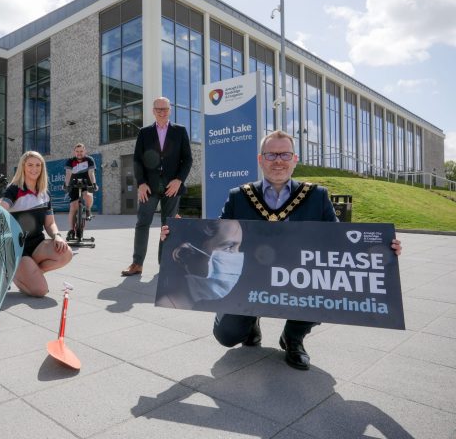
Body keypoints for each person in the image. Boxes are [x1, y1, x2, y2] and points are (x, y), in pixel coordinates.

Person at [161, 130, 402, 370]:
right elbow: (219, 232)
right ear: (260, 160)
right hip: (248, 282)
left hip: (298, 280)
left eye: (285, 154)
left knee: (325, 288)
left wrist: (380, 249)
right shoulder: (240, 196)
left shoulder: (316, 196)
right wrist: (177, 234)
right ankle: (250, 321)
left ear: (295, 159)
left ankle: (293, 337)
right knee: (227, 335)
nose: (278, 161)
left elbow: (338, 242)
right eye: (271, 154)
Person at [121, 96, 193, 276]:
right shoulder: (144, 132)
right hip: (149, 187)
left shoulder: (180, 131)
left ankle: (165, 264)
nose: (162, 112)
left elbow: (187, 159)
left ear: (170, 110)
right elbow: (137, 159)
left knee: (168, 226)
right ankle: (137, 264)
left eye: (165, 109)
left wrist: (179, 180)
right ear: (153, 111)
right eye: (159, 109)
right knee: (142, 223)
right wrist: (141, 183)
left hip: (172, 187)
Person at [0, 151, 72, 297]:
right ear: (23, 167)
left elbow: (50, 223)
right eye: (30, 165)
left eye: (38, 165)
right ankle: (17, 272)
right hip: (18, 249)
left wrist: (57, 236)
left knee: (66, 253)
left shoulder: (45, 193)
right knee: (40, 291)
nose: (34, 169)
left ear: (42, 168)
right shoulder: (14, 189)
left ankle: (31, 272)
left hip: (37, 244)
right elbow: (4, 205)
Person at [156, 219, 243, 310]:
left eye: (238, 248)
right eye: (228, 247)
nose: (236, 257)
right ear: (183, 254)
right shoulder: (165, 309)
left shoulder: (194, 305)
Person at [64, 143, 98, 239]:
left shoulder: (89, 160)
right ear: (74, 152)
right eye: (77, 151)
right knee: (73, 207)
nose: (79, 153)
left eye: (81, 151)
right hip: (73, 184)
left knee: (87, 195)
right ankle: (71, 230)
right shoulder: (70, 161)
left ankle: (88, 210)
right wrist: (66, 185)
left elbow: (91, 173)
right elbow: (68, 174)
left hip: (86, 183)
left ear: (85, 151)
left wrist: (94, 184)